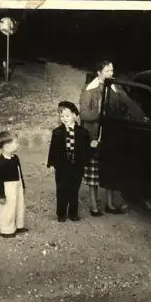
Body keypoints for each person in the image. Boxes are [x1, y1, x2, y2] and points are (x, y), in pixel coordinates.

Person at [79, 60, 128, 215]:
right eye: (107, 70)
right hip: (94, 135)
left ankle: (110, 204)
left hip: (111, 135)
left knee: (110, 168)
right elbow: (84, 114)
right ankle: (94, 206)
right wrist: (101, 114)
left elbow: (126, 104)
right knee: (93, 172)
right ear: (99, 72)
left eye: (112, 70)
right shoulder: (89, 90)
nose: (111, 74)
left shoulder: (116, 89)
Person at [47, 101, 91, 222]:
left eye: (67, 116)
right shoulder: (57, 132)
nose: (64, 119)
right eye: (62, 116)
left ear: (75, 115)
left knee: (74, 189)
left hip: (77, 166)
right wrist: (50, 163)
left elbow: (86, 150)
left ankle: (73, 213)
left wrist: (86, 162)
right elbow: (53, 149)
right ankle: (61, 213)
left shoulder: (83, 132)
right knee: (61, 189)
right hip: (62, 166)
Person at [0, 131, 28, 238]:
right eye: (16, 142)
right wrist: (1, 195)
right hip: (7, 188)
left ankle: (19, 225)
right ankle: (7, 230)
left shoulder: (15, 158)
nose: (18, 144)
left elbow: (19, 172)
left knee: (19, 206)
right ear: (7, 145)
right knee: (8, 208)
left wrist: (23, 186)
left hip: (17, 185)